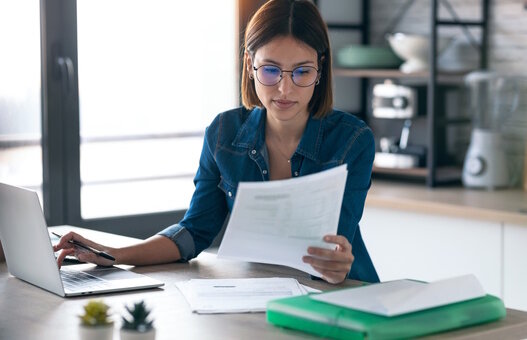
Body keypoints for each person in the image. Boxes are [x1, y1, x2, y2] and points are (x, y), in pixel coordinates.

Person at [54, 0, 379, 284]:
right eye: (270, 70)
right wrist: (112, 254)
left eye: (301, 72)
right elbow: (194, 232)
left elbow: (336, 248)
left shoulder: (352, 141)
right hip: (261, 295)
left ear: (320, 69)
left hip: (343, 292)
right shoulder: (224, 133)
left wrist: (336, 265)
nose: (284, 89)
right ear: (250, 65)